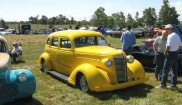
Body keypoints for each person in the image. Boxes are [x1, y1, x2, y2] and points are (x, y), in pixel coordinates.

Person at [156, 24, 182, 90]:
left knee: (165, 70)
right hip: (175, 54)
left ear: (170, 29)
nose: (166, 30)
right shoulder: (177, 35)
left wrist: (165, 53)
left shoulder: (170, 36)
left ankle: (163, 85)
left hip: (170, 54)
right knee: (174, 71)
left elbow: (168, 47)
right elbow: (180, 46)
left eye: (167, 29)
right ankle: (173, 85)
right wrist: (176, 50)